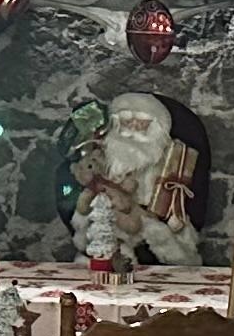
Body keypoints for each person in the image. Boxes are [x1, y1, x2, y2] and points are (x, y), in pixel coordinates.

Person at [74, 89, 203, 266]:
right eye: (127, 121)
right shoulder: (102, 154)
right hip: (109, 217)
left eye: (141, 122)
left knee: (165, 240)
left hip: (148, 218)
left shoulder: (168, 155)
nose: (133, 127)